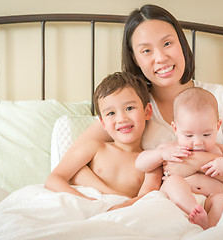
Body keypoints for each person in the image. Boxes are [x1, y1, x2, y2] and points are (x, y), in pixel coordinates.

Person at [68, 4, 223, 201]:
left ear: (181, 43)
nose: (161, 58)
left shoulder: (219, 97)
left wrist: (199, 161)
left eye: (167, 44)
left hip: (219, 204)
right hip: (161, 207)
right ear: (135, 58)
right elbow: (68, 166)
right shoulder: (132, 107)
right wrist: (118, 199)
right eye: (146, 51)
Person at [135, 87, 223, 229]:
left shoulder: (220, 150)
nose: (198, 142)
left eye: (206, 135)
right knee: (174, 182)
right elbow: (140, 163)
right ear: (175, 128)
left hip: (212, 199)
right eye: (188, 135)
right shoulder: (170, 148)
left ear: (217, 126)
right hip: (181, 201)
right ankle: (193, 209)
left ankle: (208, 225)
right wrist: (160, 155)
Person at [45, 72, 161, 210]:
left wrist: (118, 208)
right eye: (111, 113)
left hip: (122, 212)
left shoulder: (150, 161)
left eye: (129, 108)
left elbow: (147, 197)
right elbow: (54, 178)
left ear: (147, 111)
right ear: (103, 123)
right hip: (84, 205)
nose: (122, 119)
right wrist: (85, 201)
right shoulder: (95, 148)